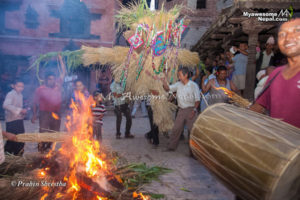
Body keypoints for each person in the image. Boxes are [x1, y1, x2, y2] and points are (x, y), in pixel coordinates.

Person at [250, 18, 300, 129]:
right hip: (276, 143)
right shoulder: (275, 74)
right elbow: (259, 107)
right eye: (283, 34)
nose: (288, 38)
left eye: (296, 31)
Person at [32, 55, 66, 153]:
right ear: (46, 80)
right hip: (44, 113)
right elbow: (34, 103)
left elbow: (63, 72)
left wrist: (60, 60)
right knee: (43, 132)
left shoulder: (58, 85)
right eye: (50, 79)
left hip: (57, 113)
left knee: (54, 132)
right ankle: (41, 149)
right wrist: (34, 115)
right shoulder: (40, 89)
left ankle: (50, 149)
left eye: (53, 79)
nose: (52, 81)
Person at [162, 67, 200, 151]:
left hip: (191, 109)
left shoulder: (193, 85)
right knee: (176, 129)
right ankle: (171, 147)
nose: (178, 77)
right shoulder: (178, 84)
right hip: (181, 110)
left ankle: (194, 151)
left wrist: (194, 111)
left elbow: (197, 100)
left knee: (192, 131)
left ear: (186, 75)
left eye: (180, 75)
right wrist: (164, 79)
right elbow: (167, 88)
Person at [2, 79, 27, 155]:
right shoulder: (11, 94)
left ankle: (18, 155)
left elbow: (18, 108)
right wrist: (20, 110)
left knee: (20, 138)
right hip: (11, 121)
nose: (21, 88)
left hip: (19, 120)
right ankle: (7, 156)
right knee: (12, 139)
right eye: (18, 86)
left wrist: (22, 112)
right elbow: (6, 105)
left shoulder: (20, 95)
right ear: (13, 86)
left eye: (22, 86)